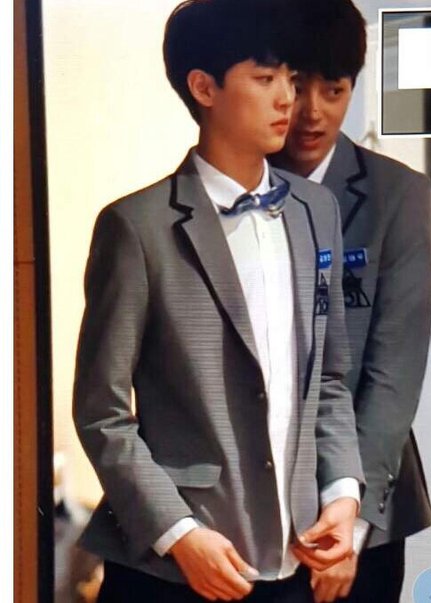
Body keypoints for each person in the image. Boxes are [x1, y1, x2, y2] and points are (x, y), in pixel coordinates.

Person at [72, 1, 365, 601]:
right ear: (204, 87)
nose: (287, 98)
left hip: (295, 560)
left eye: (290, 77)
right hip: (174, 569)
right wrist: (178, 534)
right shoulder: (137, 227)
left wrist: (341, 494)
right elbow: (102, 411)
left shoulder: (317, 211)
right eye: (264, 78)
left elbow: (329, 380)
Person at [271, 1, 431, 601]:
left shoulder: (397, 195)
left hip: (369, 495)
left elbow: (394, 376)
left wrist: (353, 525)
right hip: (259, 498)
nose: (312, 112)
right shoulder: (237, 184)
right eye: (297, 87)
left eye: (334, 90)